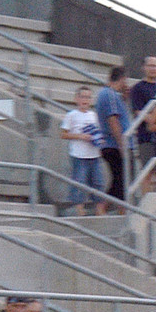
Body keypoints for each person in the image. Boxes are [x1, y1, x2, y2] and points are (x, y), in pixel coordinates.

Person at [58, 88, 106, 216]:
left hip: (94, 154)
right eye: (83, 97)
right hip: (79, 155)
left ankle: (99, 208)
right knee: (79, 181)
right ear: (76, 99)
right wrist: (80, 136)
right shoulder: (71, 115)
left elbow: (99, 131)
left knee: (98, 182)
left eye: (88, 97)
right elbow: (63, 134)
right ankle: (80, 208)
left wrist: (99, 139)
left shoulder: (94, 115)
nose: (85, 100)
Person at [95, 66, 129, 209]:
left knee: (121, 180)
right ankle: (102, 206)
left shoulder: (111, 95)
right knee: (120, 180)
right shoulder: (110, 94)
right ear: (122, 79)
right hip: (113, 144)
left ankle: (119, 208)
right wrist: (122, 144)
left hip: (112, 144)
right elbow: (113, 120)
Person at [127, 56, 156, 187]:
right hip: (146, 137)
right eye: (150, 65)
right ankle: (145, 203)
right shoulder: (138, 88)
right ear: (144, 67)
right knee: (147, 171)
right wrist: (155, 120)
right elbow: (138, 111)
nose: (153, 69)